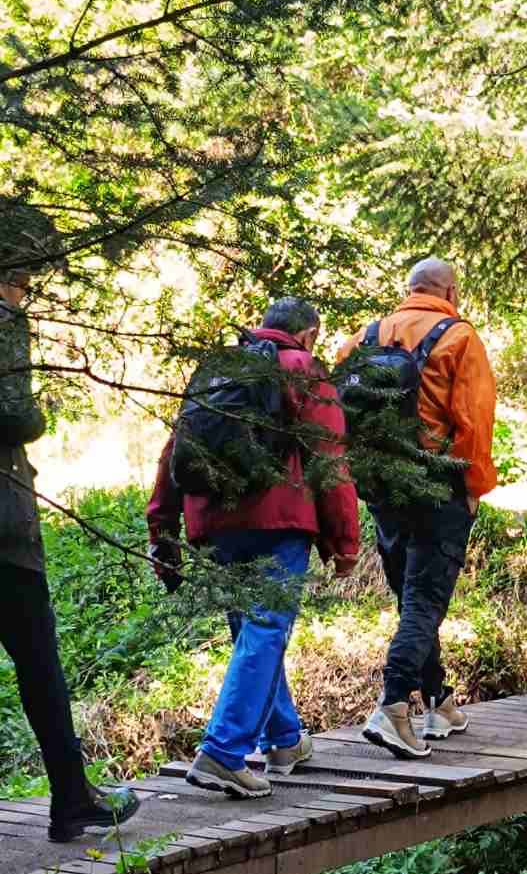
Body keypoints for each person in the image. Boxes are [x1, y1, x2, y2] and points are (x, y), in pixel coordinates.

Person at [147, 297, 359, 798]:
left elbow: (174, 450)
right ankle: (223, 752)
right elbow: (329, 460)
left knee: (252, 629)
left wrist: (163, 525)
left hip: (212, 520)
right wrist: (344, 542)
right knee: (266, 629)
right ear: (307, 335)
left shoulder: (219, 368)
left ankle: (284, 741)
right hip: (277, 518)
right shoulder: (302, 369)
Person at [0, 200, 139, 841]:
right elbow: (14, 413)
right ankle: (71, 798)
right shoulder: (3, 317)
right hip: (5, 531)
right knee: (39, 666)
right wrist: (41, 413)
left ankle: (73, 797)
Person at [338, 258, 496, 758]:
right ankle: (391, 707)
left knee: (412, 599)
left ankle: (438, 701)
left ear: (409, 290)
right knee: (425, 601)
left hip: (384, 488)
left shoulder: (366, 337)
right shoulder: (459, 336)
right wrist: (473, 485)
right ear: (450, 290)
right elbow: (473, 420)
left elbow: (339, 405)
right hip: (437, 486)